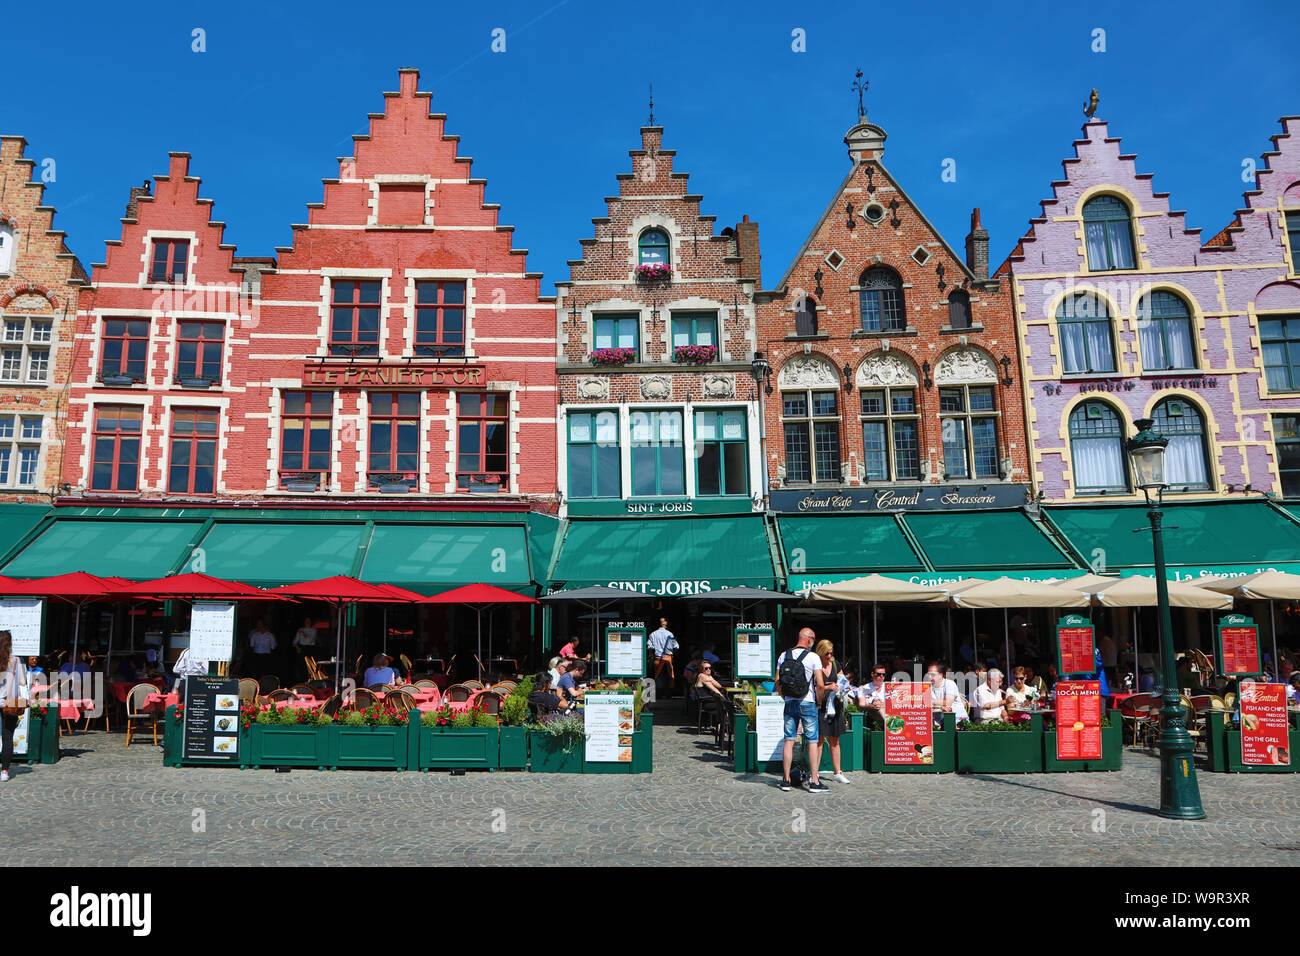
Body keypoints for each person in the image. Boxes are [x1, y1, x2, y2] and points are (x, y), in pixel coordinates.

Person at [776, 627, 827, 794]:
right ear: (810, 639)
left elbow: (777, 681)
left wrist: (785, 698)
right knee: (812, 741)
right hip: (808, 702)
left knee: (789, 740)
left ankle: (786, 780)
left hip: (790, 702)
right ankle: (814, 781)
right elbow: (820, 684)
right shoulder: (813, 657)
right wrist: (818, 702)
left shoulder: (784, 655)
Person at [813, 639, 851, 785]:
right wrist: (826, 688)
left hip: (835, 705)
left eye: (831, 653)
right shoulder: (815, 665)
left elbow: (843, 681)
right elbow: (812, 687)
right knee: (819, 741)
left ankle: (837, 772)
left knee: (835, 740)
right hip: (821, 706)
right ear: (820, 652)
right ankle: (814, 773)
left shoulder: (835, 664)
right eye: (826, 654)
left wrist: (843, 687)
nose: (829, 656)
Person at [0, 631, 28, 783]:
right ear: (10, 644)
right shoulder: (16, 661)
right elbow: (23, 683)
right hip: (10, 703)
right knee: (8, 736)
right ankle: (4, 771)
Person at [647, 617, 679, 698]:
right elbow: (676, 647)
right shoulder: (669, 634)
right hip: (668, 658)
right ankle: (668, 694)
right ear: (666, 623)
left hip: (657, 658)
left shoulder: (653, 634)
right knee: (669, 676)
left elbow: (649, 647)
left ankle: (659, 694)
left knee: (658, 676)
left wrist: (651, 655)